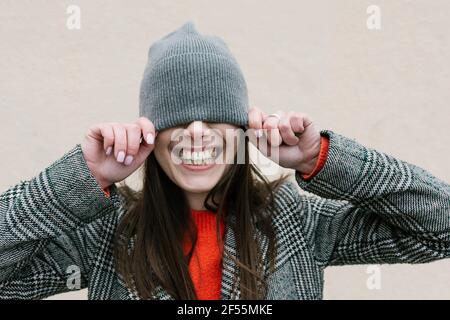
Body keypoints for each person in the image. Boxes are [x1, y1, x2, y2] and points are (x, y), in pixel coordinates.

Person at [0, 22, 449, 300]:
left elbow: (440, 227)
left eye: (216, 117)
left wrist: (321, 159)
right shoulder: (104, 235)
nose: (197, 132)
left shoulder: (300, 224)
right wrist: (81, 179)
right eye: (177, 118)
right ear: (150, 136)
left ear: (243, 131)